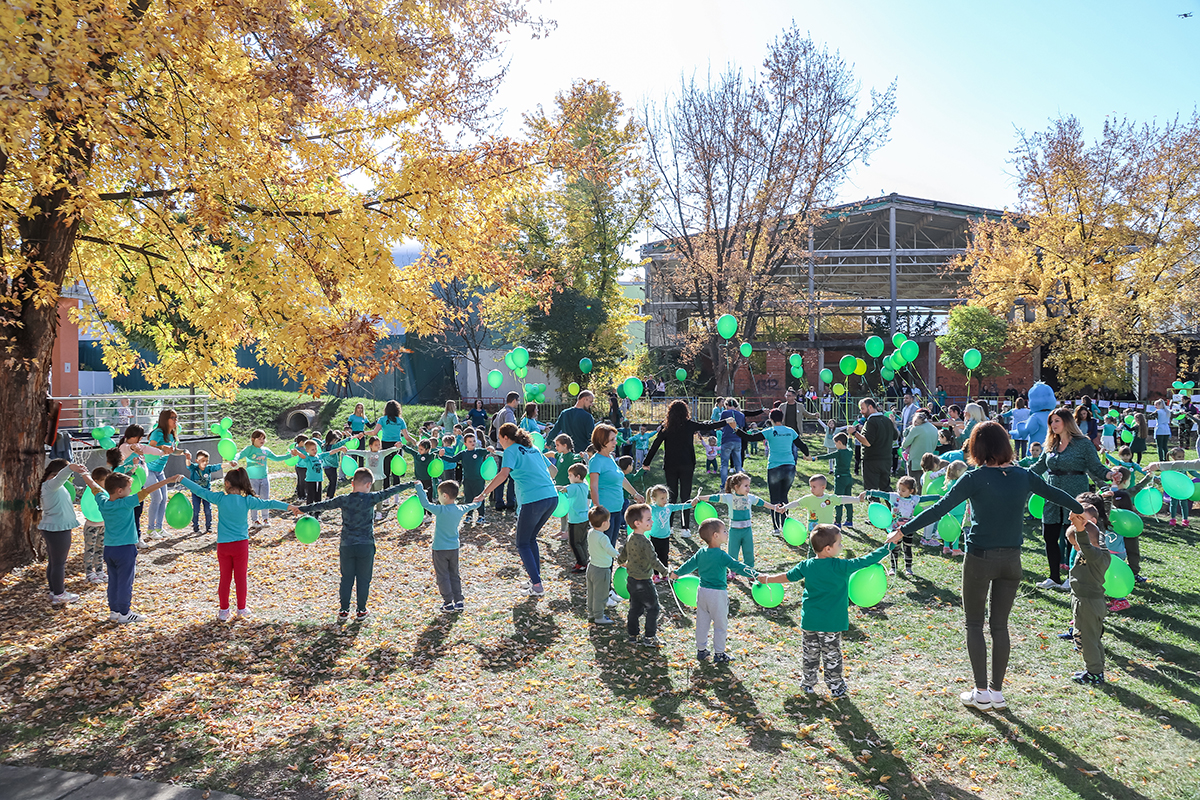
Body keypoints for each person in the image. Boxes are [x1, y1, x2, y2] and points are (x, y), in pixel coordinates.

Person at [901, 421, 1084, 711]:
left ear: (977, 447)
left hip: (979, 559)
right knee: (1000, 626)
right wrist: (1080, 510)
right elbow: (1057, 495)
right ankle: (997, 693)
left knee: (974, 623)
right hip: (1012, 561)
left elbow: (940, 507)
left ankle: (982, 692)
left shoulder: (974, 478)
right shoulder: (1023, 476)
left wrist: (903, 530)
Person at [757, 524, 903, 697]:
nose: (841, 547)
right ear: (828, 548)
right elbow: (867, 560)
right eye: (839, 544)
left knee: (810, 654)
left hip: (810, 621)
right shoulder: (841, 566)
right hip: (831, 623)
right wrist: (890, 545)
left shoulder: (806, 565)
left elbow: (787, 577)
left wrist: (767, 579)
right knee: (832, 655)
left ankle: (807, 683)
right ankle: (835, 686)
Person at [179, 466, 296, 620]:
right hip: (241, 545)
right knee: (241, 578)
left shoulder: (220, 498)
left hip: (223, 546)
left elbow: (200, 491)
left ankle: (223, 611)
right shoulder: (247, 501)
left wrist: (183, 479)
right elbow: (269, 503)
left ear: (227, 483)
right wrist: (289, 506)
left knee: (224, 578)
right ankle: (241, 609)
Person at [298, 468, 415, 620]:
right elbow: (392, 490)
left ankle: (344, 610)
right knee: (364, 579)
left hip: (347, 545)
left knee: (346, 578)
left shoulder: (344, 499)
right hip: (366, 545)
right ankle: (361, 610)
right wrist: (412, 483)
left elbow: (323, 505)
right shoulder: (372, 498)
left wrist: (301, 509)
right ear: (369, 485)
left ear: (352, 483)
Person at [1028, 408, 1116, 589]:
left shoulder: (1083, 444)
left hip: (1075, 493)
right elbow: (1037, 468)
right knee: (1049, 536)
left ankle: (1072, 577)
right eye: (1051, 422)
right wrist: (1017, 475)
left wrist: (1109, 475)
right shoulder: (1050, 445)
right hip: (1052, 494)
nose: (1053, 425)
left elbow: (1095, 467)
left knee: (1074, 537)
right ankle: (1053, 577)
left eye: (1057, 421)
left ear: (1067, 422)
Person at [475, 422, 560, 597]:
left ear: (506, 438)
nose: (500, 443)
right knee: (530, 540)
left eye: (500, 439)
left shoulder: (511, 450)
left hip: (534, 499)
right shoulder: (533, 448)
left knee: (522, 543)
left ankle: (537, 585)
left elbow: (504, 474)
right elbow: (553, 470)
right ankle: (534, 580)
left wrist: (484, 493)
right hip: (552, 497)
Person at [96, 470, 182, 624]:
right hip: (125, 550)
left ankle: (114, 611)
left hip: (109, 549)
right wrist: (168, 479)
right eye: (129, 488)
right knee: (125, 582)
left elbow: (94, 488)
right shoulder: (127, 502)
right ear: (119, 491)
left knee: (113, 580)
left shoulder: (103, 502)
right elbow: (148, 490)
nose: (131, 491)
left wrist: (84, 475)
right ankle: (125, 612)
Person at [671, 518, 758, 664]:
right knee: (720, 624)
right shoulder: (721, 555)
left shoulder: (701, 552)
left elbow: (688, 565)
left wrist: (676, 573)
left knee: (702, 622)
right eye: (724, 531)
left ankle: (701, 650)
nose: (726, 533)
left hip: (702, 592)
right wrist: (755, 574)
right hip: (717, 594)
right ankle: (719, 653)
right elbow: (737, 566)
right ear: (715, 536)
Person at [643, 400, 728, 536]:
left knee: (670, 497)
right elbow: (708, 426)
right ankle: (685, 528)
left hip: (670, 465)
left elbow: (655, 445)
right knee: (685, 496)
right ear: (685, 412)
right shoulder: (690, 425)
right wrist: (726, 421)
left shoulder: (666, 427)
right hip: (687, 464)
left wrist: (646, 462)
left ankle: (669, 527)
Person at [39, 460, 102, 605]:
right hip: (57, 529)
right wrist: (70, 467)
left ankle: (55, 592)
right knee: (59, 563)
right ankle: (60, 594)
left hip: (55, 528)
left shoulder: (52, 486)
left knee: (54, 563)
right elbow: (61, 477)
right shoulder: (51, 485)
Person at [734, 408, 806, 534]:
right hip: (789, 467)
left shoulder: (769, 431)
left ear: (771, 419)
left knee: (774, 499)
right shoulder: (790, 431)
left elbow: (749, 438)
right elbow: (802, 445)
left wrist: (735, 429)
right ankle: (785, 526)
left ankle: (776, 528)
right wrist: (807, 455)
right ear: (782, 418)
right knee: (784, 497)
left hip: (774, 467)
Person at [415, 480, 481, 612]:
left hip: (440, 549)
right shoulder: (460, 509)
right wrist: (479, 499)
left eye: (439, 495)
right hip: (454, 548)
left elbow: (425, 504)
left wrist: (419, 487)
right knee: (454, 574)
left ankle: (448, 602)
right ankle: (459, 601)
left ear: (445, 496)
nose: (438, 498)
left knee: (443, 575)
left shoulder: (440, 510)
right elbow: (473, 505)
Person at [1066, 502, 1111, 685]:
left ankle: (1094, 673)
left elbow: (1086, 545)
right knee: (1092, 637)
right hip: (1087, 601)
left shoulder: (1096, 556)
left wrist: (1079, 529)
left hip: (1088, 603)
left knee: (1088, 639)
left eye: (1076, 545)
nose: (1076, 549)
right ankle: (1097, 669)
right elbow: (1090, 540)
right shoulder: (1100, 550)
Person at [695, 472, 779, 569]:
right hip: (734, 530)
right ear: (736, 486)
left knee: (748, 551)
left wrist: (774, 508)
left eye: (749, 486)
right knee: (732, 551)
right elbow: (714, 497)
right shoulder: (729, 497)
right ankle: (732, 570)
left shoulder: (750, 498)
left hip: (747, 530)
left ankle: (750, 570)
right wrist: (700, 498)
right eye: (746, 486)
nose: (749, 488)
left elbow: (762, 503)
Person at [863, 477, 940, 576]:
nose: (900, 492)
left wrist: (938, 497)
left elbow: (925, 498)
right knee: (894, 548)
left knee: (907, 548)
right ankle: (893, 568)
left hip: (908, 529)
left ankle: (908, 568)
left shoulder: (914, 499)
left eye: (903, 490)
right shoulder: (894, 497)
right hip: (895, 529)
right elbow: (883, 494)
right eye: (899, 489)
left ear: (911, 491)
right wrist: (869, 492)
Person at [618, 504, 670, 646]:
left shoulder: (630, 537)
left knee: (635, 608)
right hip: (644, 582)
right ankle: (649, 637)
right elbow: (654, 561)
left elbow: (624, 553)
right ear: (637, 523)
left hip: (632, 581)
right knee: (653, 608)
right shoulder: (646, 542)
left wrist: (620, 561)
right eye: (648, 519)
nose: (652, 521)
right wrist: (666, 572)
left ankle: (633, 635)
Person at [588, 424, 645, 543]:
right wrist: (597, 508)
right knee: (604, 549)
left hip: (616, 510)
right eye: (612, 440)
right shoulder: (596, 461)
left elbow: (621, 479)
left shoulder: (610, 458)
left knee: (611, 546)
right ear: (602, 441)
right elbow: (593, 486)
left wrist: (635, 494)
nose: (616, 442)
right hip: (605, 513)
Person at [232, 430, 291, 529]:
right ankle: (255, 520)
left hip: (264, 478)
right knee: (254, 500)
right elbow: (239, 454)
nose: (262, 440)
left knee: (265, 499)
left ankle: (265, 518)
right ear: (253, 439)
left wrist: (290, 455)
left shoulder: (266, 450)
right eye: (259, 438)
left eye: (263, 438)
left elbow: (276, 458)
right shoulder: (249, 449)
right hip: (252, 479)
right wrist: (235, 459)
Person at [440, 431, 491, 526]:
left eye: (474, 441)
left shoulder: (479, 451)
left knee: (479, 497)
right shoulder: (463, 453)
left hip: (479, 480)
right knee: (468, 498)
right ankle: (469, 515)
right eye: (470, 441)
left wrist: (490, 448)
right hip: (467, 480)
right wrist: (442, 456)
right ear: (465, 443)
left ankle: (481, 516)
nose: (473, 443)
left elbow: (488, 450)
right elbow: (453, 459)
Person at [144, 409, 180, 540]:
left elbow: (173, 451)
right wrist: (163, 448)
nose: (176, 420)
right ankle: (150, 530)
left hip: (160, 470)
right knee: (157, 498)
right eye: (173, 417)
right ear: (165, 419)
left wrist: (183, 452)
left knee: (164, 498)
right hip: (149, 469)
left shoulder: (172, 435)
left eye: (176, 417)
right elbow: (149, 449)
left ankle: (159, 527)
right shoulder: (158, 433)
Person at [781, 474, 857, 533]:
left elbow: (843, 499)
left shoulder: (830, 499)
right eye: (811, 486)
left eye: (814, 487)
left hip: (827, 530)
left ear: (823, 487)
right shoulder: (808, 499)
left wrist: (857, 499)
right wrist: (785, 507)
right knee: (812, 550)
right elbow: (797, 503)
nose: (811, 489)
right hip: (814, 531)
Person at [851, 398, 895, 493]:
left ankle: (874, 507)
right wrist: (893, 423)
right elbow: (895, 436)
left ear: (870, 407)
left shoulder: (871, 422)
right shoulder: (887, 420)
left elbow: (867, 442)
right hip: (886, 460)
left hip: (872, 461)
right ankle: (895, 507)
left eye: (862, 408)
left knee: (871, 491)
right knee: (886, 488)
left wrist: (854, 433)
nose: (861, 411)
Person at [646, 485, 690, 579]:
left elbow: (680, 506)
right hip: (654, 537)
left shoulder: (669, 507)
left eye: (666, 498)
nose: (665, 500)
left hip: (665, 537)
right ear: (654, 498)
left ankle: (664, 574)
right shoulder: (651, 508)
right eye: (662, 498)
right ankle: (656, 575)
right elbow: (640, 509)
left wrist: (691, 504)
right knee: (655, 557)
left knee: (664, 556)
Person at [811, 433, 855, 527]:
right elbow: (850, 446)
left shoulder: (839, 453)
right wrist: (850, 437)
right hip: (848, 478)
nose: (835, 445)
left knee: (837, 500)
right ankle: (849, 520)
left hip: (840, 479)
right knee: (848, 499)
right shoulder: (849, 451)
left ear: (839, 442)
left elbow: (827, 456)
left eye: (835, 443)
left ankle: (838, 522)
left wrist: (814, 458)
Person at [586, 506, 619, 624]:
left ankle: (591, 612)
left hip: (591, 567)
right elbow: (610, 550)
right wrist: (619, 557)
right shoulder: (603, 538)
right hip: (602, 570)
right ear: (605, 523)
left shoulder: (590, 532)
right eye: (609, 521)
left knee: (591, 592)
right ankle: (599, 617)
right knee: (601, 594)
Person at [368, 401, 408, 489]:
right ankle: (396, 495)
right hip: (397, 445)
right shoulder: (400, 420)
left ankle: (386, 494)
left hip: (385, 445)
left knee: (386, 470)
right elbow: (406, 436)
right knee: (396, 470)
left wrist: (363, 433)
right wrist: (414, 442)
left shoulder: (382, 419)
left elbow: (374, 432)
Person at [560, 463, 592, 574]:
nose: (568, 477)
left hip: (575, 520)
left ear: (578, 477)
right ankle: (585, 561)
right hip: (584, 518)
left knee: (574, 543)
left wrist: (554, 488)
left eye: (570, 475)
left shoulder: (573, 487)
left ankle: (582, 564)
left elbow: (563, 490)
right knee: (582, 541)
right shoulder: (584, 486)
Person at [81, 467, 110, 584]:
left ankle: (99, 571)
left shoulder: (106, 492)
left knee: (100, 549)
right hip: (91, 526)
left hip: (103, 524)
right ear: (96, 481)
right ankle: (89, 573)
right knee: (90, 549)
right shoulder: (92, 490)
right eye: (105, 481)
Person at [183, 449, 222, 534]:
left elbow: (218, 466)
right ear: (197, 461)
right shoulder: (194, 468)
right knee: (196, 510)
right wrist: (187, 458)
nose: (205, 463)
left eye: (207, 461)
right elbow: (188, 464)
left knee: (208, 509)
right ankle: (195, 526)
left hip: (206, 493)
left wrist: (229, 464)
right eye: (202, 461)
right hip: (196, 493)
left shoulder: (208, 468)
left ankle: (209, 526)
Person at [900, 412, 939, 485]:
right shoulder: (934, 428)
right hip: (929, 461)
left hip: (915, 462)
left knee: (914, 486)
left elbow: (904, 445)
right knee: (925, 485)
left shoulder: (916, 429)